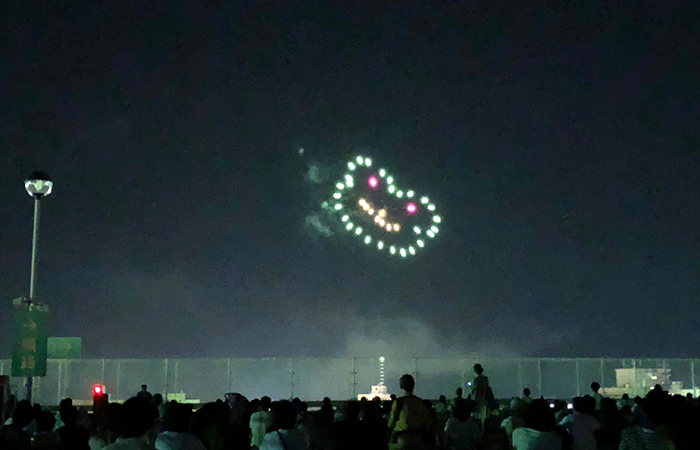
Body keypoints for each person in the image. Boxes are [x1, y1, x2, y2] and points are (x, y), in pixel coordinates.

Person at [387, 374, 431, 450]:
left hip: (402, 439)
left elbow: (391, 422)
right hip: (418, 439)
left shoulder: (399, 402)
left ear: (401, 386)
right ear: (413, 386)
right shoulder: (420, 402)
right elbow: (426, 421)